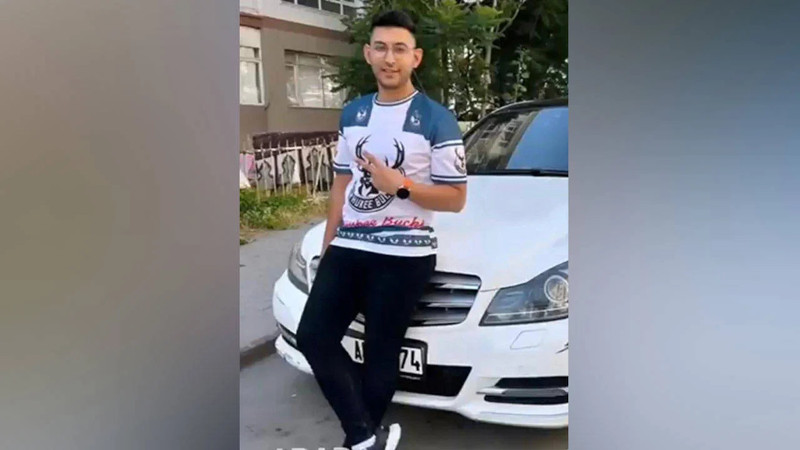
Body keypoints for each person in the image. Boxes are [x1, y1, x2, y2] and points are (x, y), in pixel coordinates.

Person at [294, 9, 468, 450]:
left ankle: (359, 441)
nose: (390, 58)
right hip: (349, 246)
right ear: (368, 53)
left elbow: (455, 198)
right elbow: (341, 184)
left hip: (405, 255)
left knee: (380, 352)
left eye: (400, 49)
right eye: (382, 48)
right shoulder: (353, 113)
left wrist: (401, 186)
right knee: (313, 336)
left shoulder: (436, 118)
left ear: (416, 58)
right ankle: (365, 438)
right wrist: (329, 245)